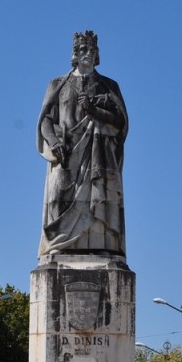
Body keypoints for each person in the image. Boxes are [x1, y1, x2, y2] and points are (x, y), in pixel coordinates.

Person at [37, 30, 128, 258]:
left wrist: (94, 109)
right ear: (75, 54)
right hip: (66, 153)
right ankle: (58, 246)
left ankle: (102, 248)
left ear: (97, 55)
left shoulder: (108, 86)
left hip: (99, 154)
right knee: (57, 197)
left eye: (92, 50)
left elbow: (120, 121)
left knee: (101, 200)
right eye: (83, 50)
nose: (88, 53)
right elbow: (46, 120)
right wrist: (54, 141)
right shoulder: (58, 84)